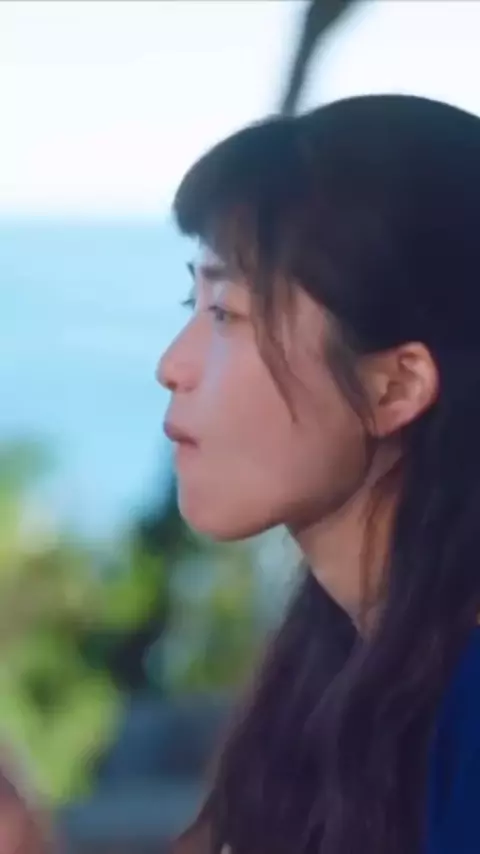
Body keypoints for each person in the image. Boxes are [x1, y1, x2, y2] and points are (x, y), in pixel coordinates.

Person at [157, 94, 480, 854]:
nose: (172, 364)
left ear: (396, 386)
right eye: (192, 302)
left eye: (227, 314)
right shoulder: (338, 663)